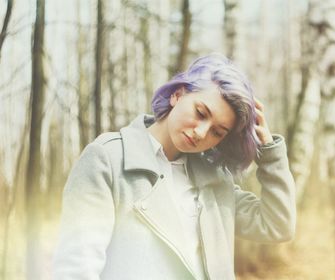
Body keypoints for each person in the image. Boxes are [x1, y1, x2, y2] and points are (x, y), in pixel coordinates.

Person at [53, 53, 296, 280]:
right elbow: (77, 267)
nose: (201, 132)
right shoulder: (108, 160)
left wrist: (268, 150)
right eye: (200, 113)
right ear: (178, 95)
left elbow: (277, 225)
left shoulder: (215, 181)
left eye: (217, 132)